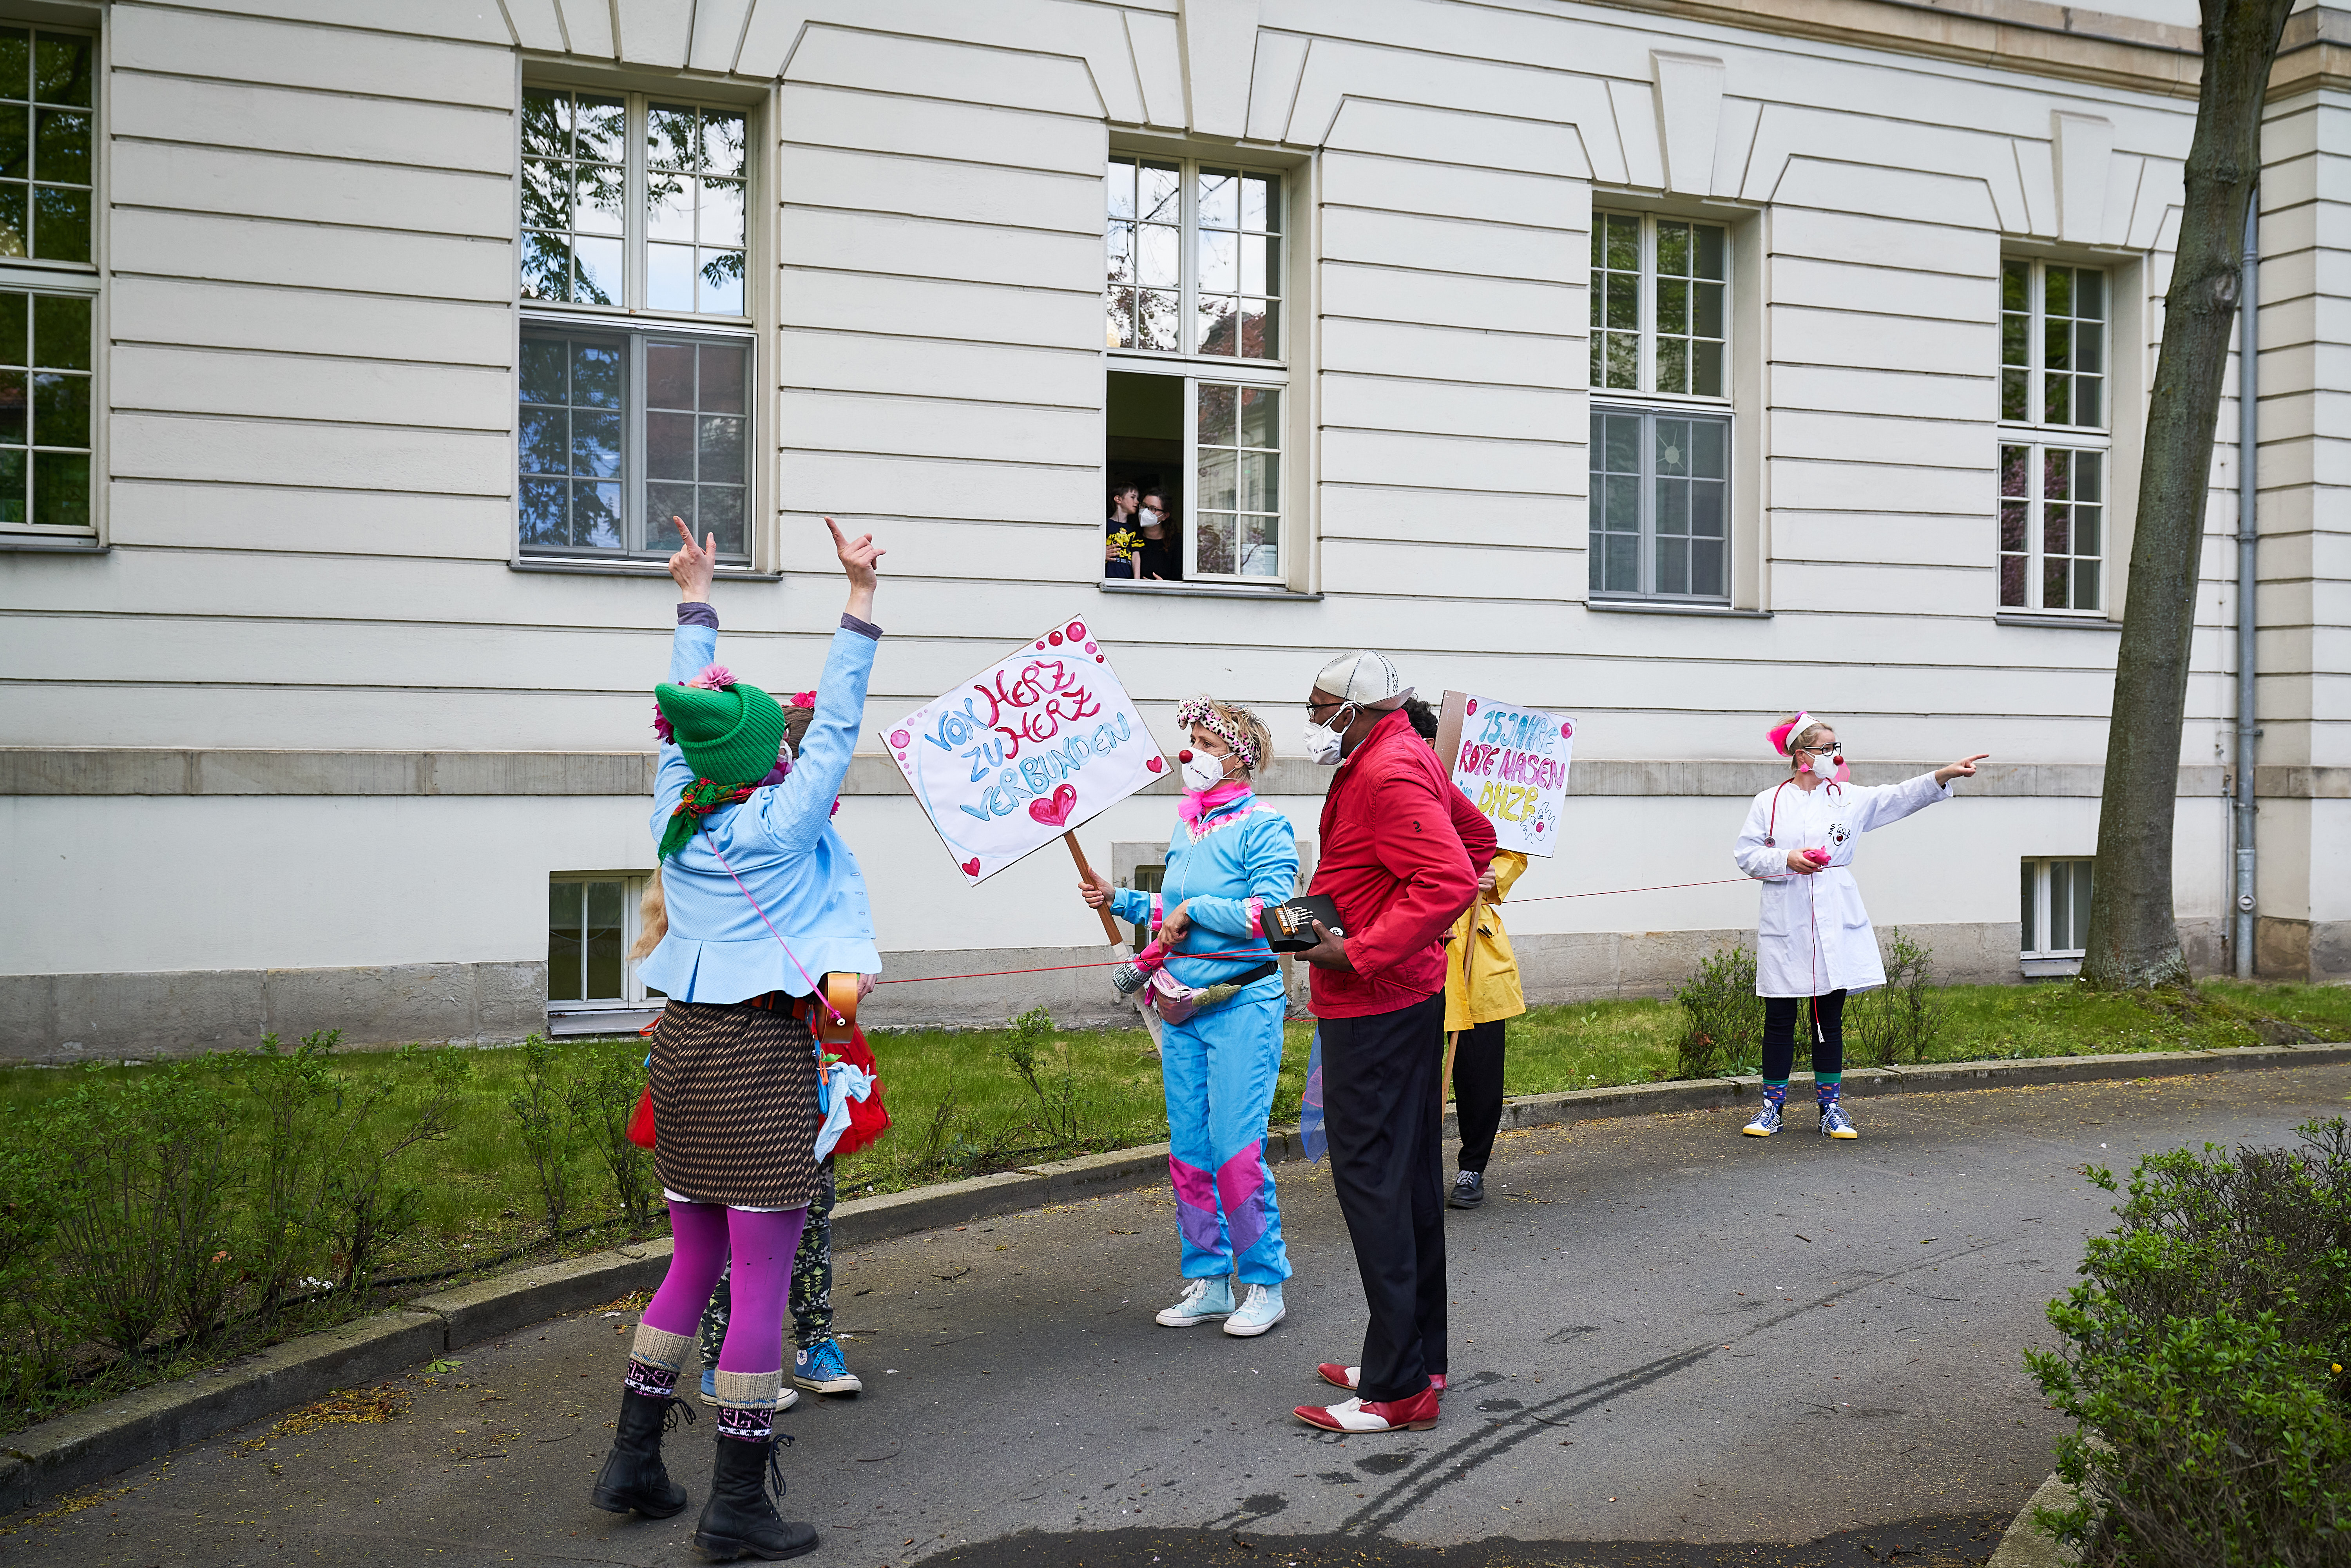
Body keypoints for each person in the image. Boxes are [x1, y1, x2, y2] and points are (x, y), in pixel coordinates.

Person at [590, 514, 885, 1562]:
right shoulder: (779, 826)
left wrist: (695, 602)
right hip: (761, 1058)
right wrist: (856, 598)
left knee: (689, 1264)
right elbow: (839, 724)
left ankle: (632, 1458)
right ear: (767, 754)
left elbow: (682, 720)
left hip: (681, 1054)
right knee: (760, 1278)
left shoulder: (678, 810)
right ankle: (739, 1503)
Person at [1287, 653, 1492, 1436]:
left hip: (1374, 1002)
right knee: (1405, 1181)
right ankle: (1413, 1356)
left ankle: (1401, 1387)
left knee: (1374, 1181)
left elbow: (1447, 880)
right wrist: (1391, 924)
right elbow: (1475, 840)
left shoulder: (1389, 768)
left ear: (1359, 709)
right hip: (1399, 997)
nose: (1311, 721)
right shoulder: (1393, 749)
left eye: (1319, 708)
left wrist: (1368, 946)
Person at [1078, 697, 1295, 1337]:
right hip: (1181, 1006)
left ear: (1239, 758)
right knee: (1192, 1152)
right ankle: (1211, 1279)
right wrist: (1117, 898)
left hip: (1243, 1006)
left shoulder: (1266, 825)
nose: (1191, 753)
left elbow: (1276, 913)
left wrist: (1193, 909)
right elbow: (1174, 908)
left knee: (1236, 1152)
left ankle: (1264, 1282)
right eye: (1191, 739)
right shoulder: (1189, 827)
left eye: (1206, 741)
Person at [1732, 713, 1986, 1139]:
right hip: (1787, 916)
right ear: (1801, 756)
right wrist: (1786, 860)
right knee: (1779, 1016)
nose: (1836, 755)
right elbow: (1746, 854)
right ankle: (1771, 1109)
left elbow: (1899, 797)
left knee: (1828, 1015)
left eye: (1836, 747)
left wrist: (1941, 776)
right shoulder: (1768, 802)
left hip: (1834, 911)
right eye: (1826, 749)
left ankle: (1830, 1109)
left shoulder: (1848, 798)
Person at [1400, 697, 1528, 1210]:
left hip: (1478, 947)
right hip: (1418, 948)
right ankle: (1417, 1167)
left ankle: (1473, 1166)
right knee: (1417, 1072)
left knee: (1479, 1073)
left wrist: (1499, 876)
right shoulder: (1394, 789)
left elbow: (1512, 845)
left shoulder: (1476, 785)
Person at [1134, 490, 1183, 581]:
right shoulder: (1132, 537)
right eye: (1144, 506)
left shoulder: (1176, 543)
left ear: (1165, 516)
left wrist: (1164, 585)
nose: (1146, 511)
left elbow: (1179, 580)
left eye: (1153, 509)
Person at [1105, 483, 1142, 578]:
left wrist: (1137, 582)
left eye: (1137, 498)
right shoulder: (1105, 525)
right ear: (1119, 499)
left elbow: (1136, 556)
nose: (1137, 502)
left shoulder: (1134, 529)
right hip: (1107, 579)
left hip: (1126, 580)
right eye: (1133, 497)